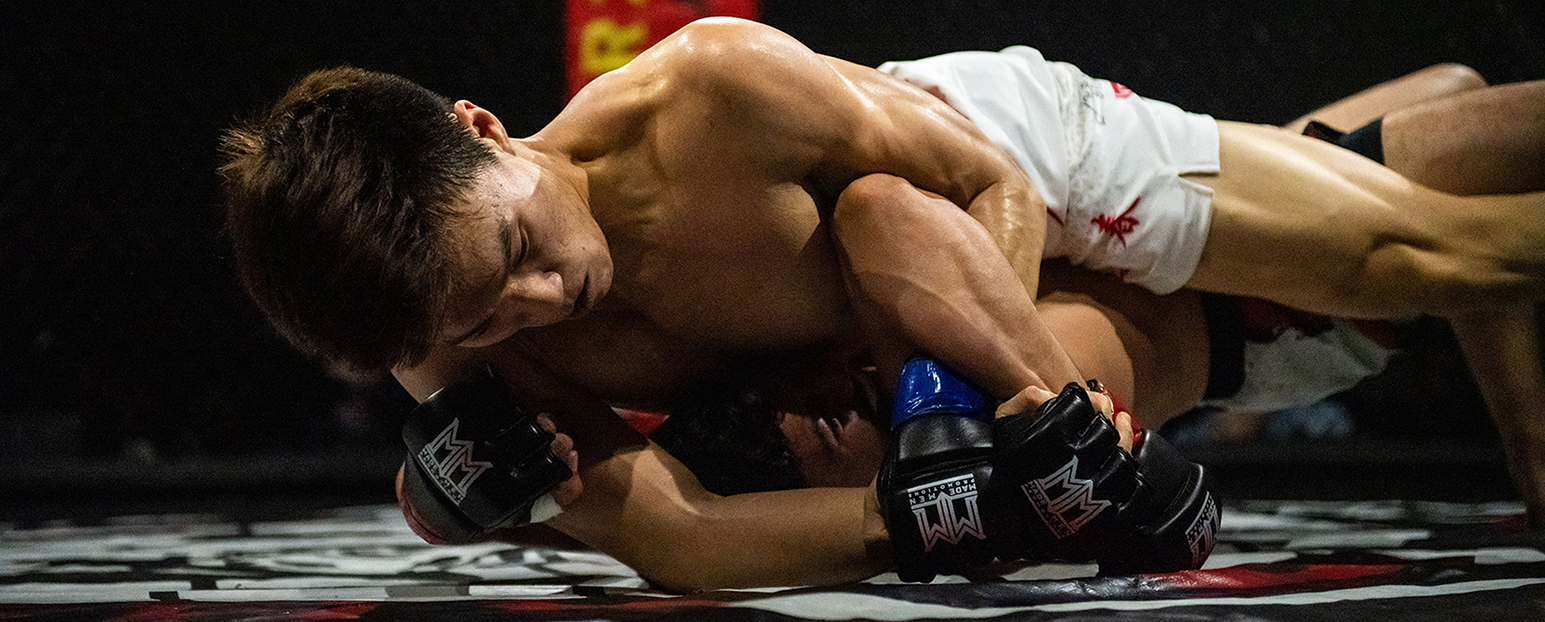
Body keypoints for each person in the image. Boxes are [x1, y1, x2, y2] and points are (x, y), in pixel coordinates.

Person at [221, 17, 1544, 589]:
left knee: (1408, 259)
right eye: (492, 315)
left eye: (517, 247)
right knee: (1376, 191)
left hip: (1001, 161)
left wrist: (958, 391)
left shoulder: (710, 92)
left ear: (490, 129)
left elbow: (984, 190)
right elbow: (671, 538)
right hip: (891, 309)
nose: (547, 294)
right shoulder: (446, 341)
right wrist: (917, 507)